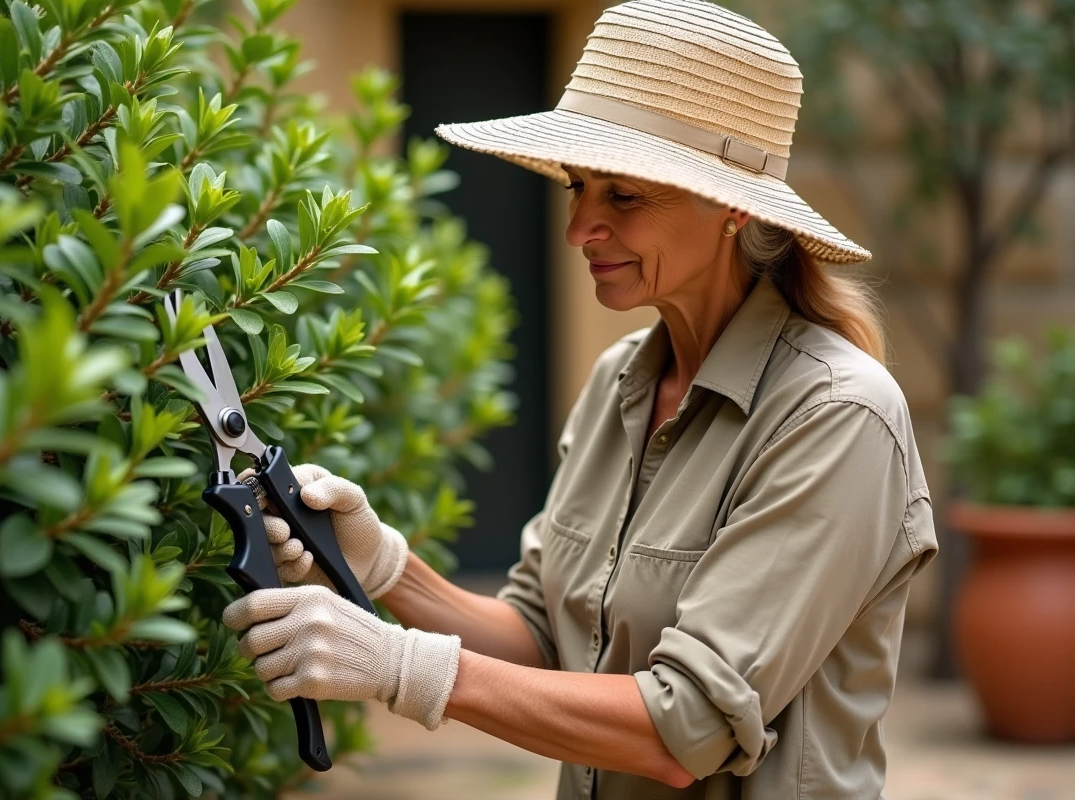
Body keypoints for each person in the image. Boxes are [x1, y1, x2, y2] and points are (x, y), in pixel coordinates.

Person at [222, 1, 939, 797]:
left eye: (624, 196)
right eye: (578, 186)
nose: (578, 229)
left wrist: (400, 667)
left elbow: (684, 730)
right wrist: (384, 565)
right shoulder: (621, 383)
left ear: (734, 208)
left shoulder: (835, 416)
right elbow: (542, 640)